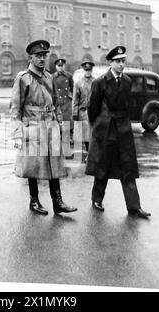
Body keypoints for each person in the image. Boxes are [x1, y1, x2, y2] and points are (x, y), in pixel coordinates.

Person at [10, 40, 77, 215]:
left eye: (44, 55)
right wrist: (17, 132)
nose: (42, 59)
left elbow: (55, 102)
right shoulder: (23, 78)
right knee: (33, 164)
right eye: (38, 56)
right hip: (32, 124)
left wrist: (61, 123)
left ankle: (58, 201)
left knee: (54, 163)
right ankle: (34, 201)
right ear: (30, 57)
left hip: (50, 123)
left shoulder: (49, 77)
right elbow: (15, 107)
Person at [85, 46, 151, 218]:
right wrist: (98, 126)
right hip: (105, 129)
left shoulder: (128, 81)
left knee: (128, 167)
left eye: (123, 61)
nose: (122, 65)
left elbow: (127, 105)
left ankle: (134, 207)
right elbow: (92, 108)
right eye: (118, 61)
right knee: (103, 165)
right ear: (111, 62)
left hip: (123, 129)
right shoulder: (99, 82)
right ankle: (97, 199)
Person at [72, 59, 95, 161]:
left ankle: (91, 154)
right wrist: (74, 112)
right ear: (83, 70)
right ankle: (88, 154)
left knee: (92, 134)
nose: (88, 72)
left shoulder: (96, 82)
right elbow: (75, 99)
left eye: (89, 70)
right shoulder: (78, 83)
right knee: (85, 135)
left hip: (93, 111)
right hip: (83, 111)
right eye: (86, 70)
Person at [52, 58, 74, 148]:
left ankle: (69, 137)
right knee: (59, 119)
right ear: (56, 67)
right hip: (58, 101)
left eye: (62, 66)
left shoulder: (68, 76)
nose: (60, 68)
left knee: (67, 119)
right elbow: (51, 89)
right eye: (59, 66)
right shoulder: (53, 77)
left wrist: (71, 97)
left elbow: (73, 88)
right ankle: (59, 136)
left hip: (66, 101)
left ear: (64, 66)